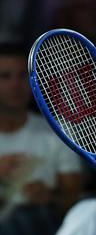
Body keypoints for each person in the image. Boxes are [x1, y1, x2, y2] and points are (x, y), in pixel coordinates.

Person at [0, 42, 81, 217]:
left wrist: (51, 198)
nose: (15, 84)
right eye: (5, 76)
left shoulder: (59, 131)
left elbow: (74, 200)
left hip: (41, 227)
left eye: (22, 75)